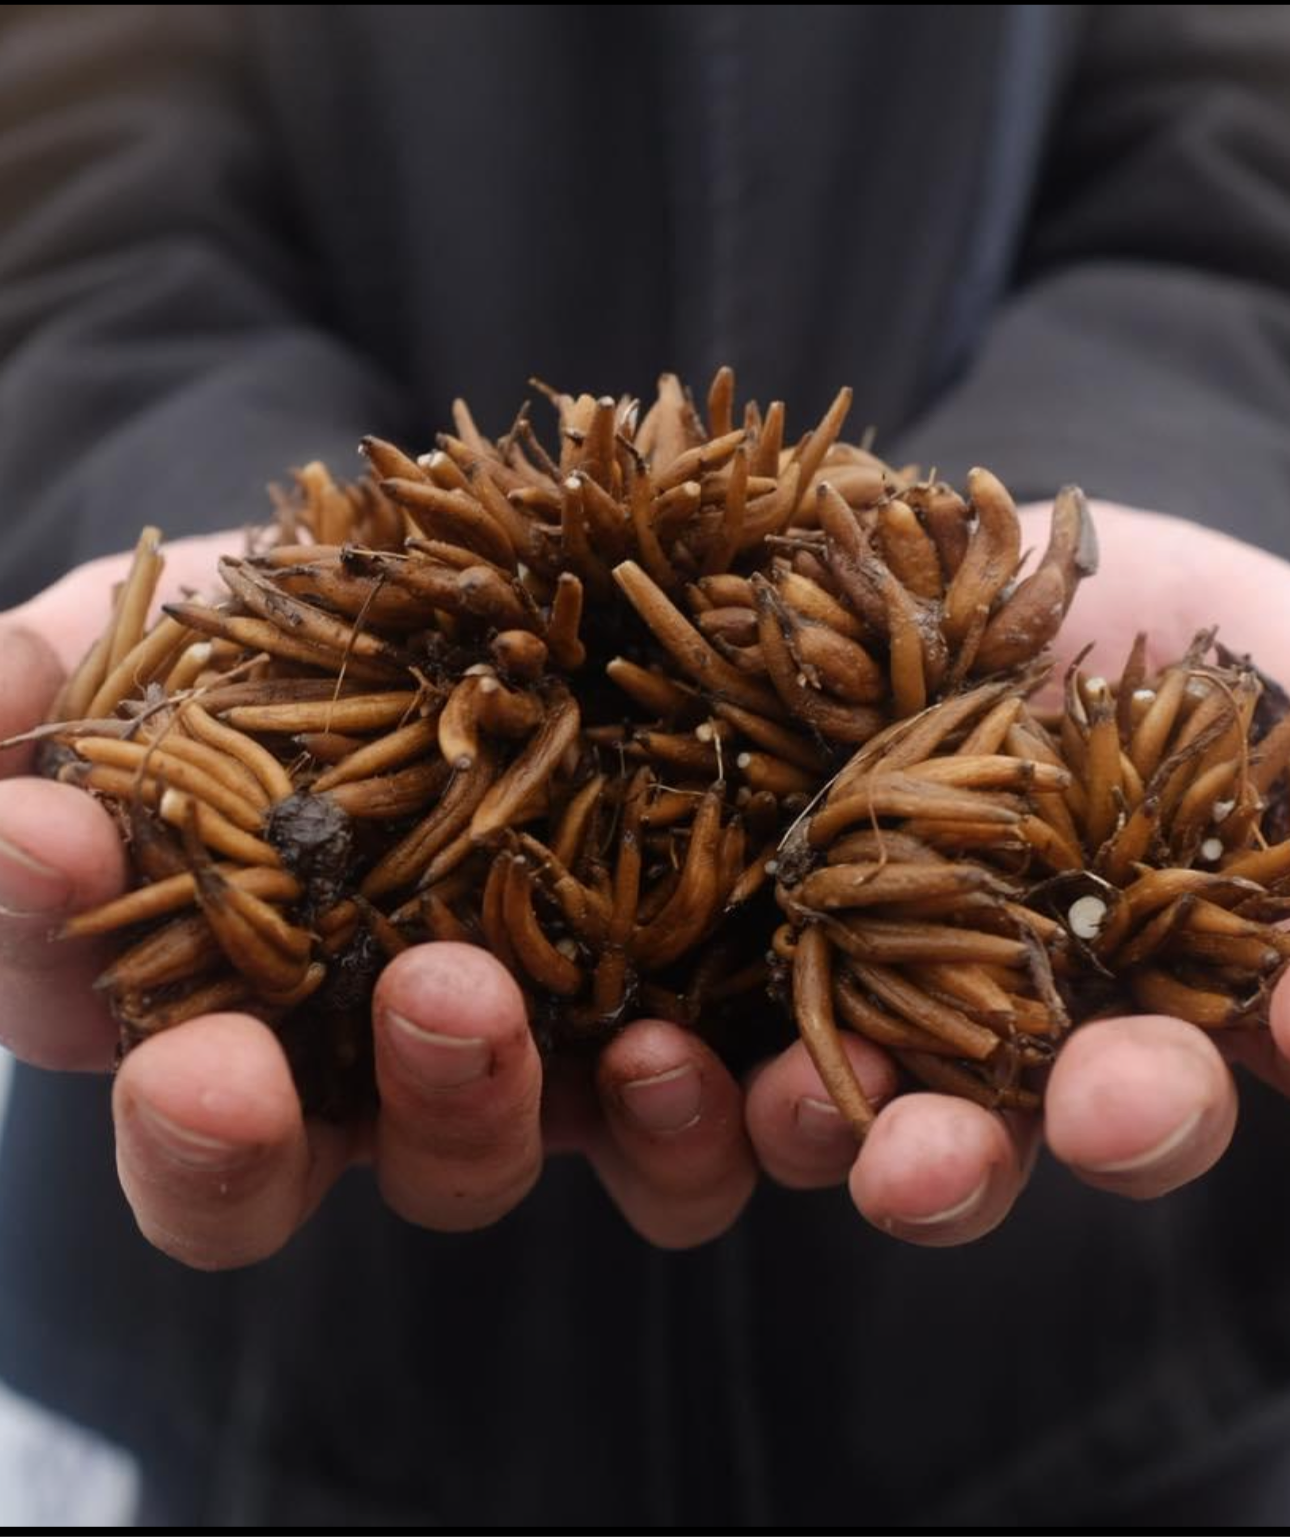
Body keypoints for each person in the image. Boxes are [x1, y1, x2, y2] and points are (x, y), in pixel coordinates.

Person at [3, 3, 1290, 1523]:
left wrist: (1070, 518)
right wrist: (239, 530)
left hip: (1097, 1367)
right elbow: (72, 184)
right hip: (327, 1380)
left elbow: (1235, 163)